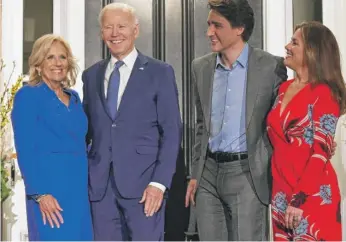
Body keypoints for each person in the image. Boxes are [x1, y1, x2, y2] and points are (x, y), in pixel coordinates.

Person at [185, 0, 287, 240]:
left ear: (239, 28)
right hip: (208, 173)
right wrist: (195, 174)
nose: (209, 32)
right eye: (209, 24)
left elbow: (281, 124)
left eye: (217, 25)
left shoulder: (272, 67)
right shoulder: (200, 67)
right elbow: (202, 127)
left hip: (248, 173)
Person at [82, 2, 181, 241]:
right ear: (101, 33)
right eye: (108, 27)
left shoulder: (160, 72)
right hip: (100, 189)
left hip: (145, 188)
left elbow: (172, 132)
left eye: (121, 26)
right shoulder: (91, 75)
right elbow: (87, 131)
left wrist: (159, 183)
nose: (115, 33)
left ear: (136, 30)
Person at [267, 21, 346, 241]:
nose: (286, 46)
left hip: (311, 197)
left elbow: (320, 152)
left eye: (294, 42)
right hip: (281, 194)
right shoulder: (282, 89)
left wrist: (298, 200)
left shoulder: (324, 93)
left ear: (312, 51)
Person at [11, 34, 92, 240]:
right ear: (38, 65)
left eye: (62, 57)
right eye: (50, 57)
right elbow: (25, 149)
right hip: (49, 192)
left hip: (79, 189)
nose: (58, 63)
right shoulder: (28, 95)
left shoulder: (74, 97)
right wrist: (40, 193)